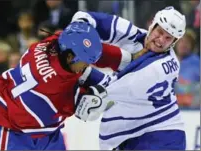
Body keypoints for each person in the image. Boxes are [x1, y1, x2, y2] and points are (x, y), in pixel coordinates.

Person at [0, 21, 132, 150]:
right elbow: (86, 109)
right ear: (70, 57)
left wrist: (126, 60)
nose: (87, 64)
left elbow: (89, 56)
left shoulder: (54, 42)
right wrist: (105, 89)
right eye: (84, 61)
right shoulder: (55, 85)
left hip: (44, 129)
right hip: (9, 125)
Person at [72, 6, 187, 150]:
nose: (161, 40)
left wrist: (79, 69)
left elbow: (110, 89)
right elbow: (90, 18)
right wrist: (78, 27)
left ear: (173, 43)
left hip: (161, 134)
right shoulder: (135, 35)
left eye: (168, 38)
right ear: (152, 25)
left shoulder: (159, 68)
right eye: (160, 32)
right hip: (133, 134)